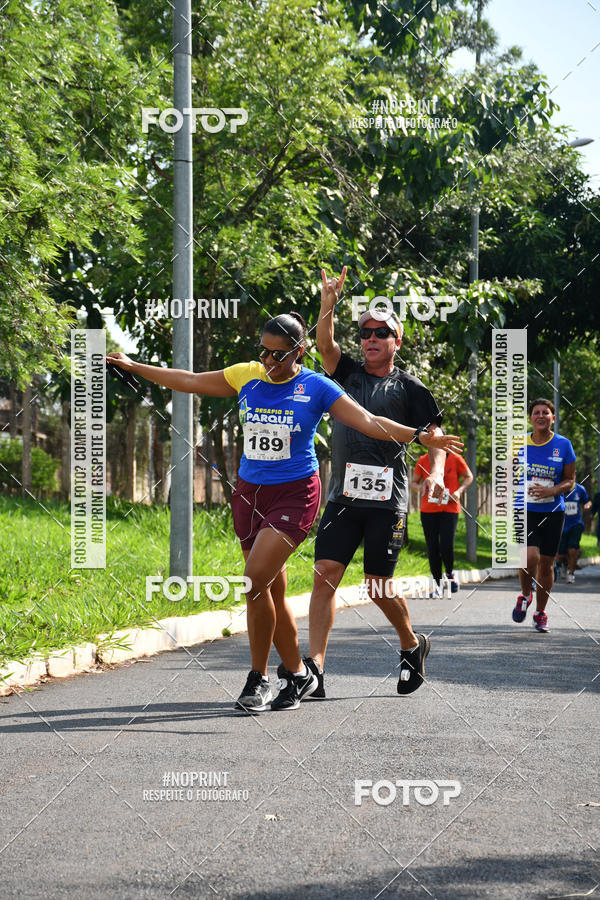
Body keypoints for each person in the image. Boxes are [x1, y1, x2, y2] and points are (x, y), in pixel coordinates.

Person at [107, 310, 461, 713]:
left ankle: (257, 679)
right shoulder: (247, 374)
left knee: (253, 580)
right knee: (270, 589)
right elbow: (188, 380)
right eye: (265, 353)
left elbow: (367, 421)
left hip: (296, 494)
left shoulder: (317, 386)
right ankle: (298, 671)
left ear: (299, 351)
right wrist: (135, 366)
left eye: (280, 355)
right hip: (249, 495)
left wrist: (413, 435)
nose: (270, 362)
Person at [302, 269, 453, 699]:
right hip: (342, 496)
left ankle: (411, 644)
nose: (371, 338)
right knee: (325, 574)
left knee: (378, 585)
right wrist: (327, 301)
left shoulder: (411, 387)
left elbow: (435, 438)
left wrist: (438, 474)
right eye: (366, 331)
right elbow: (324, 344)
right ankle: (315, 668)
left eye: (381, 332)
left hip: (387, 500)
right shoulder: (345, 373)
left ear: (396, 341)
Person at [512, 398, 575, 633]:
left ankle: (540, 612)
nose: (541, 416)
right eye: (536, 412)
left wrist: (552, 490)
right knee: (529, 556)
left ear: (553, 418)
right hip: (525, 509)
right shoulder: (519, 444)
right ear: (530, 418)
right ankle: (525, 594)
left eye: (545, 413)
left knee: (547, 564)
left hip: (553, 511)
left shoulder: (564, 445)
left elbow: (570, 479)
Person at [412, 450, 473, 595]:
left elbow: (469, 476)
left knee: (446, 546)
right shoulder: (423, 460)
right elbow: (413, 482)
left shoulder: (455, 458)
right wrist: (422, 487)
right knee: (432, 548)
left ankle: (450, 573)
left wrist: (459, 491)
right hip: (428, 510)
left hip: (449, 508)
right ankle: (438, 586)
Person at [555, 482, 591, 583]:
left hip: (576, 524)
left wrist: (587, 506)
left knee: (572, 550)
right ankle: (564, 565)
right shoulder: (558, 487)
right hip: (561, 525)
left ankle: (571, 574)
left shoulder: (580, 489)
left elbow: (587, 501)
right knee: (561, 555)